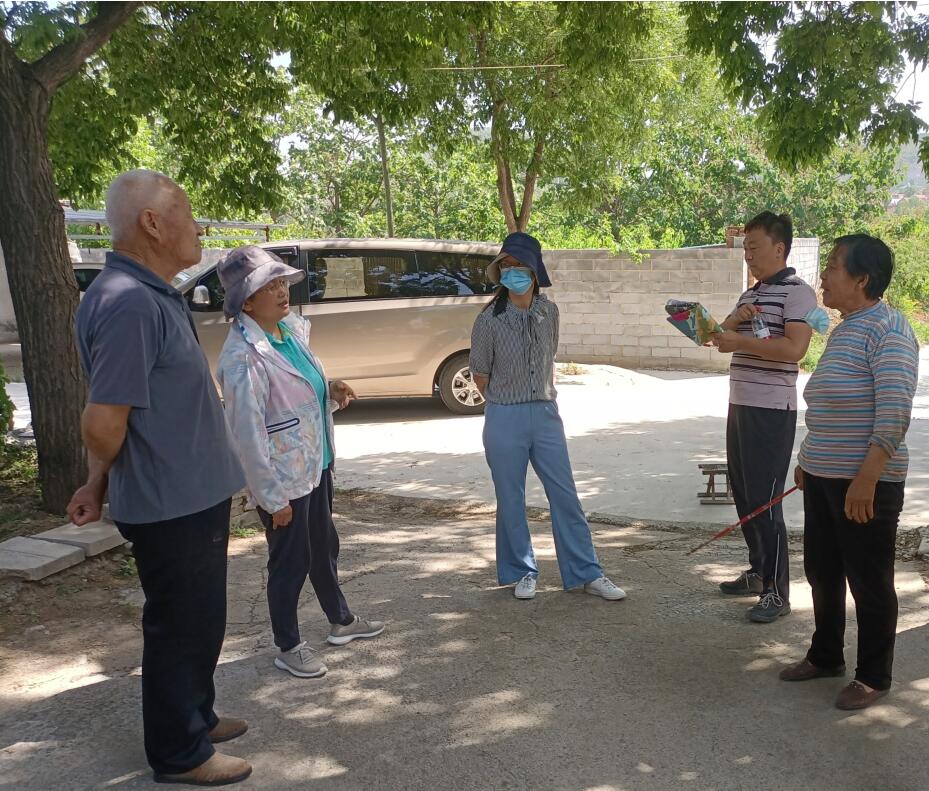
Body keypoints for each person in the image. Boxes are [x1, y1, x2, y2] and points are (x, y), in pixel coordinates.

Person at [67, 170, 251, 786]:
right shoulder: (127, 302)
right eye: (189, 213)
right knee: (181, 623)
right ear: (152, 222)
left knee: (203, 619)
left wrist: (95, 483)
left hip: (192, 493)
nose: (198, 227)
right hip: (170, 502)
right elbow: (104, 416)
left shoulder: (151, 294)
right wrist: (100, 479)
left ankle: (196, 715)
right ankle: (180, 752)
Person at [216, 246, 384, 679]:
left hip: (315, 464)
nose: (280, 290)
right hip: (283, 481)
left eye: (280, 282)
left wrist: (330, 390)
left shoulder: (286, 333)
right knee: (289, 562)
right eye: (268, 285)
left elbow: (297, 396)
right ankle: (288, 644)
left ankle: (341, 621)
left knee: (324, 546)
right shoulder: (242, 357)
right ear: (246, 302)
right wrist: (271, 498)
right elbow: (247, 435)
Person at [780, 234, 918, 710]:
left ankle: (874, 676)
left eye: (834, 267)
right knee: (822, 570)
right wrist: (807, 461)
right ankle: (825, 656)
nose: (824, 276)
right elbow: (827, 404)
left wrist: (867, 478)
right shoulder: (846, 328)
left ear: (862, 278)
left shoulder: (890, 330)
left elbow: (894, 411)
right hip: (822, 477)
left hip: (864, 484)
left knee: (869, 580)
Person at [469, 232, 625, 601]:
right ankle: (522, 571)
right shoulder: (488, 319)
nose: (512, 273)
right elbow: (480, 374)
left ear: (535, 272)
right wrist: (504, 402)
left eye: (519, 266)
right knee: (511, 497)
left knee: (566, 495)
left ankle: (586, 572)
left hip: (545, 412)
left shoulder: (548, 312)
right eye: (505, 266)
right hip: (504, 414)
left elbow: (549, 359)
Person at [711, 212, 816, 623]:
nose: (748, 255)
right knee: (744, 494)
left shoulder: (798, 294)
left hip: (772, 410)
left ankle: (778, 591)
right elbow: (721, 341)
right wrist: (731, 324)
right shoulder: (749, 294)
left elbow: (794, 350)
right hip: (740, 403)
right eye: (745, 248)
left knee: (766, 501)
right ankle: (758, 572)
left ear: (779, 248)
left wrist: (738, 340)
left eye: (754, 247)